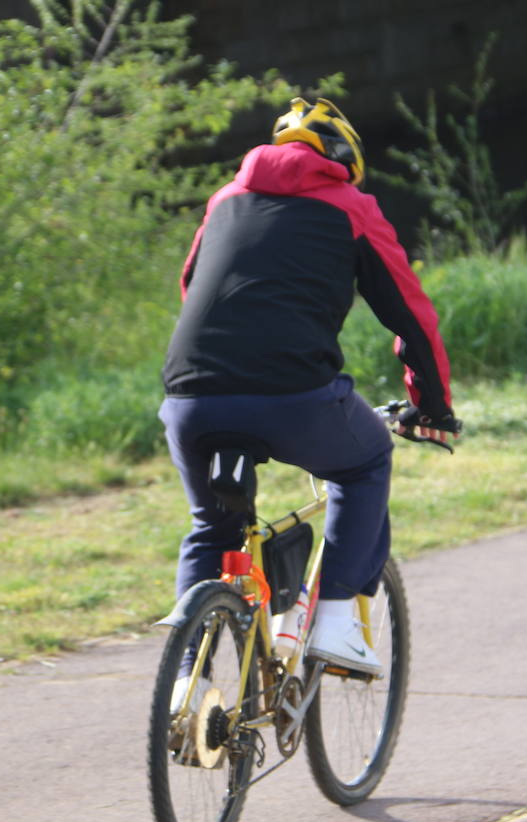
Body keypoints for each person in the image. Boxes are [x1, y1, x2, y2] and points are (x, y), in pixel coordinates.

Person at [159, 98, 459, 678]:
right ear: (346, 159)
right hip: (293, 394)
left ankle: (181, 679)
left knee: (211, 525)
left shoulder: (224, 200)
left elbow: (193, 285)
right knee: (366, 458)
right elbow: (411, 315)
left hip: (190, 394)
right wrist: (431, 404)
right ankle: (337, 621)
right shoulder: (351, 206)